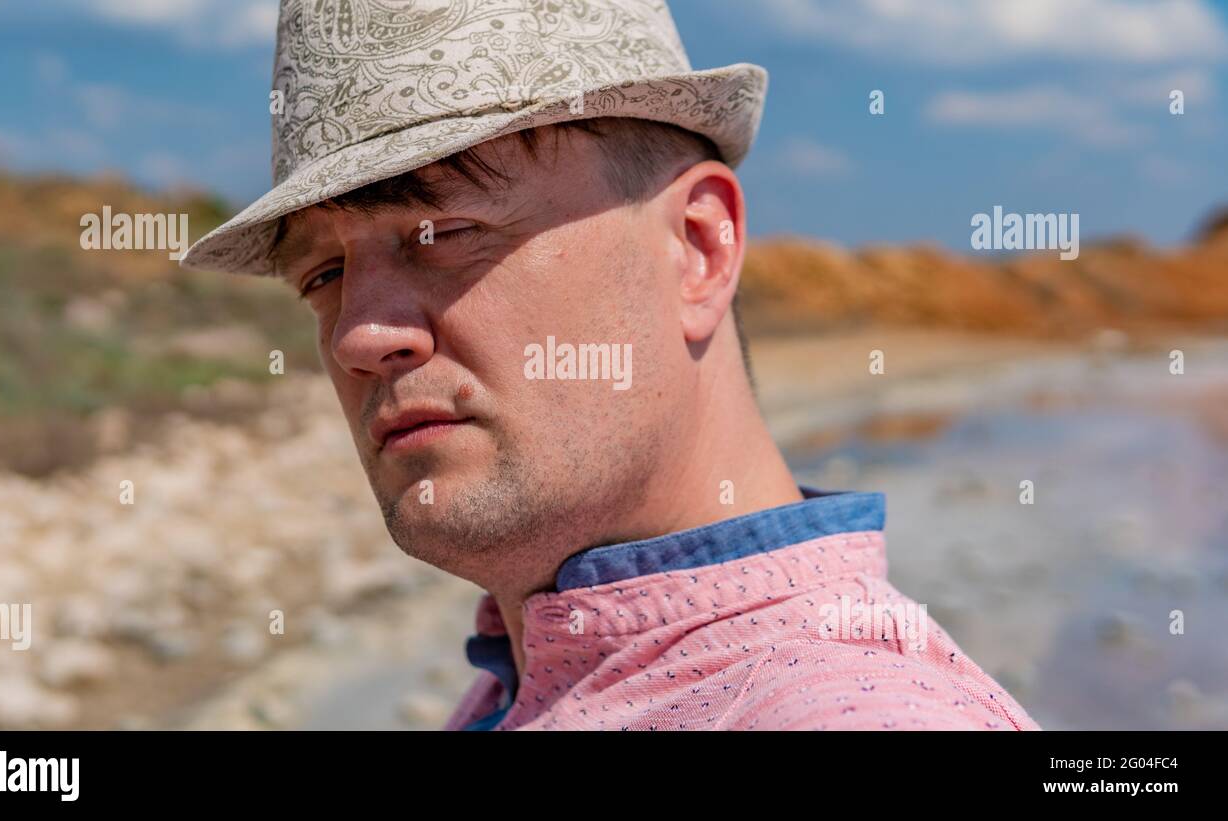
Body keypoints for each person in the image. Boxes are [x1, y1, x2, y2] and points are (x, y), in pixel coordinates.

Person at [182, 0, 1038, 731]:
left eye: (441, 233)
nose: (357, 337)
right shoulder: (536, 669)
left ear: (698, 249)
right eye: (323, 275)